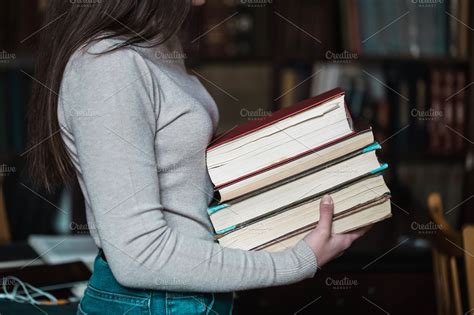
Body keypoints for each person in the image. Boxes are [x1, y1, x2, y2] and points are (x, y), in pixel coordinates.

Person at [26, 1, 371, 314]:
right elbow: (138, 255)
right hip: (150, 304)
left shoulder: (156, 44)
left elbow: (182, 196)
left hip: (187, 296)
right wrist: (294, 262)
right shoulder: (107, 65)